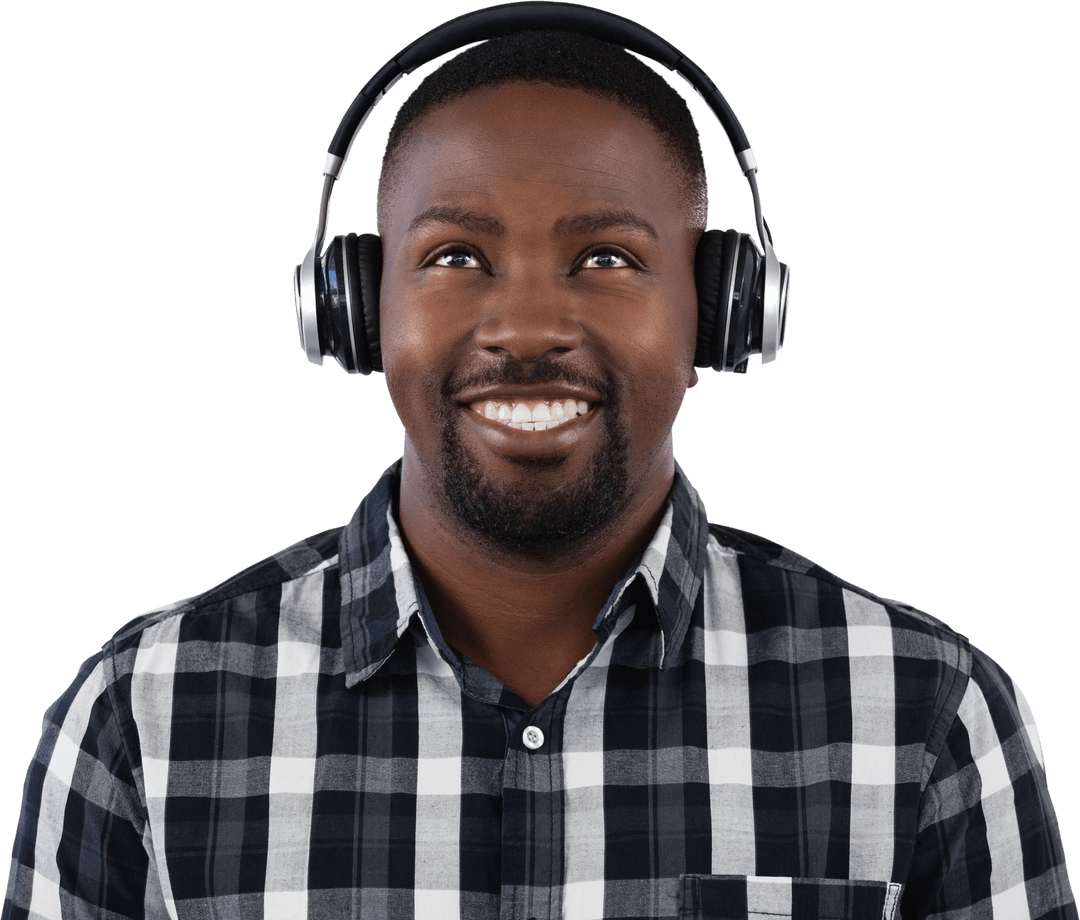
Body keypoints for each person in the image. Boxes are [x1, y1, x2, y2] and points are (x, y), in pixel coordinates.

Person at [4, 16, 1075, 920]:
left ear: (724, 314)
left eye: (605, 258)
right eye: (455, 257)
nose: (523, 326)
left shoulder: (926, 714)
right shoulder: (141, 715)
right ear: (355, 311)